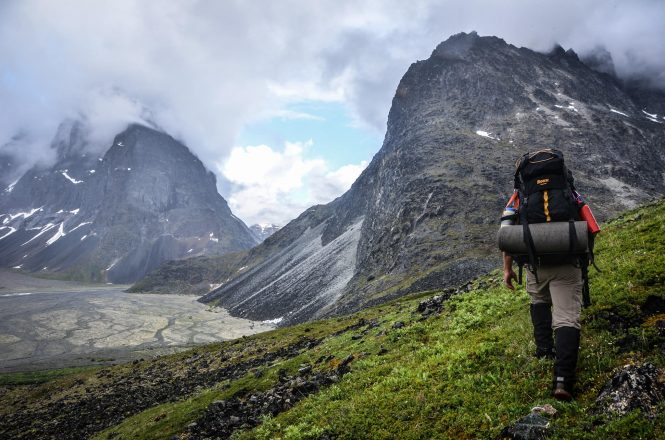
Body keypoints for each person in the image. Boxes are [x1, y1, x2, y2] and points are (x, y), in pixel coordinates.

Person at [501, 149, 586, 402]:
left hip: (535, 264)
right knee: (567, 318)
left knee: (538, 300)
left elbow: (507, 233)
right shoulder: (567, 191)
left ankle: (544, 350)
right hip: (567, 263)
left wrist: (507, 269)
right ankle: (563, 380)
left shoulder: (520, 195)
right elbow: (589, 223)